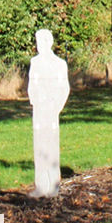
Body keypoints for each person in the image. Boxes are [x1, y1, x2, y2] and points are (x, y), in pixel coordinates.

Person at [27, 29, 70, 196]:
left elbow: (64, 88)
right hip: (38, 109)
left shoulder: (59, 64)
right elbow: (32, 84)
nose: (39, 46)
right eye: (37, 42)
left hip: (51, 110)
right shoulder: (35, 62)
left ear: (49, 42)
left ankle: (53, 185)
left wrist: (57, 106)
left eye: (42, 42)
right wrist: (34, 100)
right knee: (39, 145)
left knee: (51, 146)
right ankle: (41, 185)